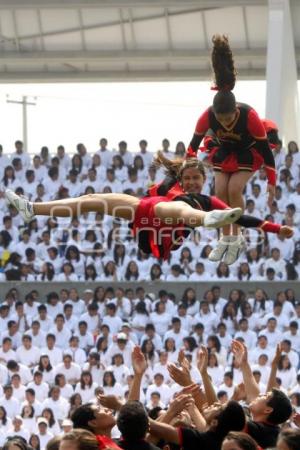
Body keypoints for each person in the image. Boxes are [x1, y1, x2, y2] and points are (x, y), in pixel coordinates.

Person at [186, 35, 277, 265]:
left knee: (235, 188)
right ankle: (224, 238)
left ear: (236, 112)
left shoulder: (250, 118)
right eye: (220, 120)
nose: (225, 124)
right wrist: (187, 172)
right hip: (225, 150)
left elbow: (266, 152)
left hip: (249, 150)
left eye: (228, 120)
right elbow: (192, 148)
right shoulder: (206, 117)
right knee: (219, 190)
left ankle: (237, 238)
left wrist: (272, 183)